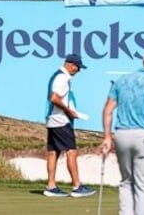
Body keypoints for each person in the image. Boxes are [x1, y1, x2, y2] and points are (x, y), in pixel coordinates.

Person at [101, 47, 144, 215]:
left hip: (121, 135)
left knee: (126, 182)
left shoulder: (122, 80)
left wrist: (107, 137)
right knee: (143, 185)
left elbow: (107, 111)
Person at [44, 54, 95, 198]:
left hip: (53, 120)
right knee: (71, 151)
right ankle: (77, 186)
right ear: (71, 64)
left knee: (53, 152)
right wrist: (69, 111)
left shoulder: (57, 75)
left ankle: (51, 186)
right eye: (78, 67)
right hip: (61, 121)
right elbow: (54, 98)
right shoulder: (63, 78)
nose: (78, 71)